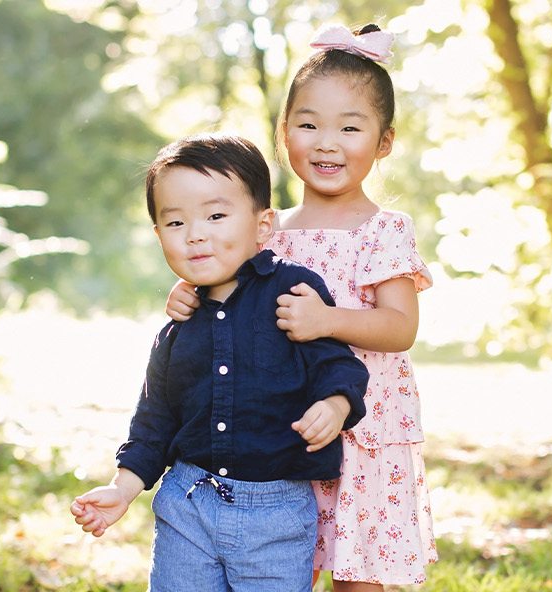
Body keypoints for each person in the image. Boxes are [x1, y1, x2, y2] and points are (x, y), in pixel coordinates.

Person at [165, 24, 437, 590]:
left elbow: (400, 325)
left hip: (363, 428)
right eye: (308, 125)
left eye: (349, 127)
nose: (326, 142)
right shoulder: (267, 230)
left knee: (358, 570)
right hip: (281, 423)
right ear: (283, 132)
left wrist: (327, 320)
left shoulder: (384, 230)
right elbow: (226, 293)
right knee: (282, 562)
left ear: (384, 142)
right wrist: (189, 293)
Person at [71, 134, 369, 591]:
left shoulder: (292, 294)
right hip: (188, 506)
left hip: (277, 512)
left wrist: (335, 405)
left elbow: (339, 365)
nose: (195, 234)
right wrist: (122, 488)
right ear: (159, 236)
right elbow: (154, 424)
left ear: (262, 225)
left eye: (215, 216)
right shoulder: (177, 329)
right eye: (175, 222)